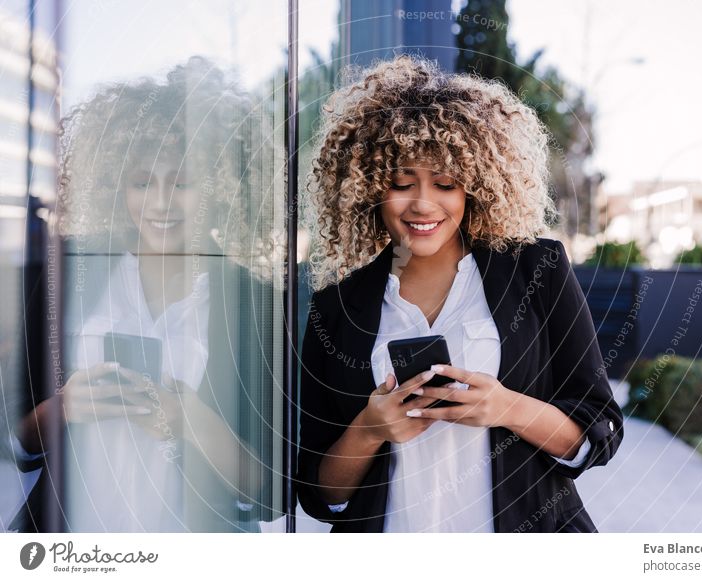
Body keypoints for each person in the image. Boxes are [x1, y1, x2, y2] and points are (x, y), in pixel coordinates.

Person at [295, 55, 624, 533]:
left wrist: (507, 408)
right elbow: (321, 495)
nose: (423, 204)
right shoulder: (336, 308)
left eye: (445, 184)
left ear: (476, 187)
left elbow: (600, 431)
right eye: (401, 183)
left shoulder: (537, 269)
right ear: (368, 187)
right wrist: (370, 429)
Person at [10, 57, 279, 532]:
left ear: (218, 188)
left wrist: (187, 418)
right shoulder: (69, 276)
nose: (160, 203)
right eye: (142, 182)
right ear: (117, 185)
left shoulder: (251, 301)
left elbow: (269, 492)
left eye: (182, 183)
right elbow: (17, 445)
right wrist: (66, 407)